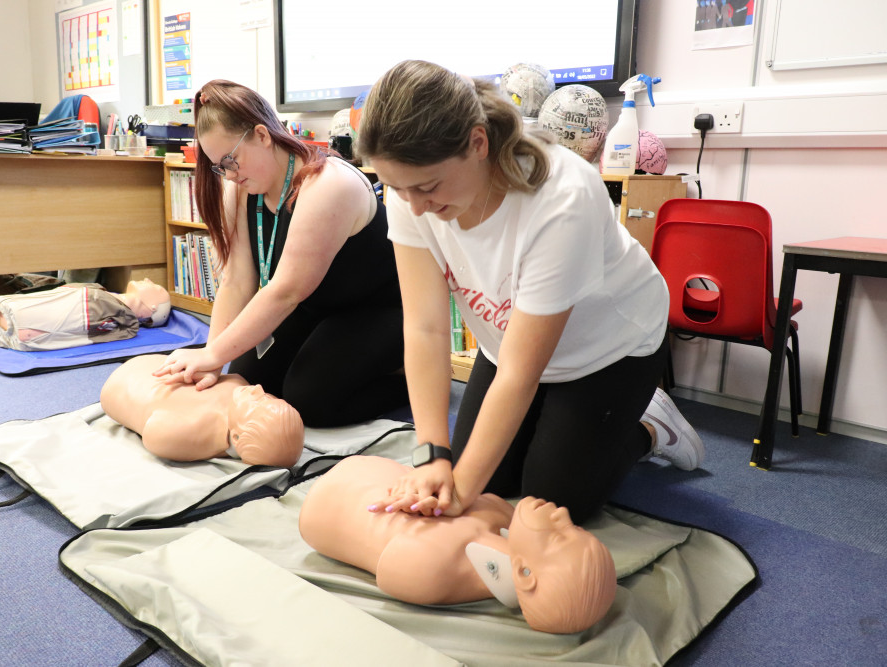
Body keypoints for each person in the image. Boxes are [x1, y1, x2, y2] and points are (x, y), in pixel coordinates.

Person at [356, 60, 705, 525]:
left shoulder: (562, 195)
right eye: (397, 189)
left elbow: (522, 372)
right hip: (510, 340)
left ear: (477, 143)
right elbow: (424, 326)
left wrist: (457, 497)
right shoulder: (409, 191)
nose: (415, 206)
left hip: (611, 347)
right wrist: (433, 455)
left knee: (554, 501)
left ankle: (651, 426)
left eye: (426, 187)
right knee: (489, 479)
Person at [152, 79, 407, 428]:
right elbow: (237, 281)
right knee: (251, 386)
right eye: (219, 166)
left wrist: (213, 354)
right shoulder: (240, 188)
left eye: (231, 159)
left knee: (308, 401)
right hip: (315, 307)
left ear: (261, 134)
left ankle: (406, 376)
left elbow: (285, 291)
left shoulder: (328, 184)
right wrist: (212, 358)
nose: (228, 174)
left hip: (380, 310)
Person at [299, 455, 617, 634]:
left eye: (560, 533)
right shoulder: (507, 519)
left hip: (325, 504)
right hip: (367, 472)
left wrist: (424, 520)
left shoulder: (435, 572)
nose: (562, 513)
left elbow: (394, 568)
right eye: (574, 526)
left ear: (523, 573)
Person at [100, 354, 304, 466]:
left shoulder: (190, 429)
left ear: (236, 438)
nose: (258, 389)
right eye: (268, 397)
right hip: (147, 368)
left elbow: (154, 434)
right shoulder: (240, 386)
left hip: (118, 387)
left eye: (257, 403)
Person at [0, 278, 171, 351]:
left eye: (156, 286)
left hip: (71, 311)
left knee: (18, 316)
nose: (148, 279)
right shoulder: (105, 293)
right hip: (10, 310)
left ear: (153, 308)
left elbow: (89, 332)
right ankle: (24, 327)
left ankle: (30, 330)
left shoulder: (124, 322)